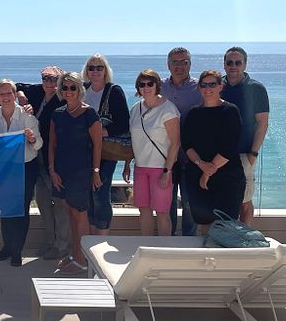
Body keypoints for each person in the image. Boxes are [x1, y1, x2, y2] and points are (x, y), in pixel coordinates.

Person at [48, 72, 102, 272]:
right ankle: (75, 254)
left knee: (80, 214)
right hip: (62, 170)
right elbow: (52, 145)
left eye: (73, 87)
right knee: (69, 211)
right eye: (65, 87)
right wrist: (52, 170)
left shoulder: (90, 114)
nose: (68, 91)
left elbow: (98, 145)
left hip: (82, 171)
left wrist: (96, 171)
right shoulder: (58, 114)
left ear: (80, 89)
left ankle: (83, 260)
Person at [15, 66, 70, 260]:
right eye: (46, 78)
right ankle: (50, 241)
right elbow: (16, 85)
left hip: (54, 158)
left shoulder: (63, 100)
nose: (49, 83)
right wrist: (21, 97)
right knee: (43, 202)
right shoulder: (37, 92)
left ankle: (62, 245)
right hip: (34, 157)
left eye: (54, 79)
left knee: (60, 204)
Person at [0, 80, 42, 267]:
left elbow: (39, 144)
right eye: (2, 94)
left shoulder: (27, 116)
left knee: (21, 209)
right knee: (6, 209)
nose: (6, 97)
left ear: (15, 94)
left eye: (9, 93)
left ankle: (17, 249)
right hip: (4, 169)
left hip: (25, 166)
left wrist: (32, 138)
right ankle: (8, 246)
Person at [182, 70, 245, 233]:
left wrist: (208, 172)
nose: (208, 88)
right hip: (197, 175)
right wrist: (201, 166)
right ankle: (206, 257)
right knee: (203, 222)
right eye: (204, 85)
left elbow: (230, 146)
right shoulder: (194, 113)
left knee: (226, 224)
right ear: (199, 88)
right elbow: (187, 145)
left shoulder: (230, 111)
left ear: (220, 87)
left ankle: (225, 259)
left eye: (212, 84)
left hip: (227, 176)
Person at [123, 70, 180, 236]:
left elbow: (176, 143)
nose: (146, 87)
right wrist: (127, 163)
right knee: (144, 211)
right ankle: (147, 248)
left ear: (157, 85)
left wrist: (167, 171)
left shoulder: (168, 109)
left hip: (160, 169)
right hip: (140, 168)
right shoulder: (135, 109)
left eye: (150, 83)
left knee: (162, 213)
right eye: (142, 84)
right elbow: (132, 140)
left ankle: (164, 252)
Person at [81, 54, 130, 235]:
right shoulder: (83, 89)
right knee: (88, 195)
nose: (95, 71)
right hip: (85, 151)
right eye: (91, 68)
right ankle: (92, 238)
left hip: (106, 151)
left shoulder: (114, 90)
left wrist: (104, 132)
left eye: (99, 67)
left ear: (106, 70)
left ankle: (101, 238)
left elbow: (125, 122)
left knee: (100, 193)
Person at [221, 47, 269, 226]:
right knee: (224, 200)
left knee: (245, 202)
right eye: (229, 62)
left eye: (238, 62)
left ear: (245, 64)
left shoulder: (255, 88)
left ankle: (245, 243)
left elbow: (262, 123)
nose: (233, 66)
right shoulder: (218, 86)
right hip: (219, 156)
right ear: (224, 65)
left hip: (244, 154)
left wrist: (253, 154)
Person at [160, 47, 200, 236]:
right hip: (165, 155)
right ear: (168, 65)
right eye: (175, 62)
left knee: (190, 203)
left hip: (191, 155)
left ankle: (188, 244)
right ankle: (169, 243)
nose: (180, 66)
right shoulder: (158, 87)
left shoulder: (201, 87)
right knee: (166, 203)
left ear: (190, 64)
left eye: (184, 62)